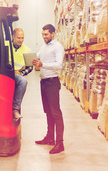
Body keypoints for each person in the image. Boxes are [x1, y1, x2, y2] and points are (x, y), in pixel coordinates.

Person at [32, 24, 65, 154]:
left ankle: (60, 143)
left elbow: (59, 65)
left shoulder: (58, 47)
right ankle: (50, 137)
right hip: (44, 82)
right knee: (48, 112)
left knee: (56, 113)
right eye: (43, 35)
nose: (44, 37)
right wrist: (34, 60)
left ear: (53, 33)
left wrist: (43, 64)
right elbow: (38, 56)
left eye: (46, 34)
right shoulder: (44, 46)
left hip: (52, 82)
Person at [11, 28, 33, 120]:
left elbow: (30, 67)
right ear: (13, 37)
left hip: (17, 75)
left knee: (23, 81)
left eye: (22, 38)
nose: (21, 40)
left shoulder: (27, 50)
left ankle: (15, 108)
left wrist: (21, 72)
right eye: (18, 38)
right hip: (4, 72)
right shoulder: (6, 45)